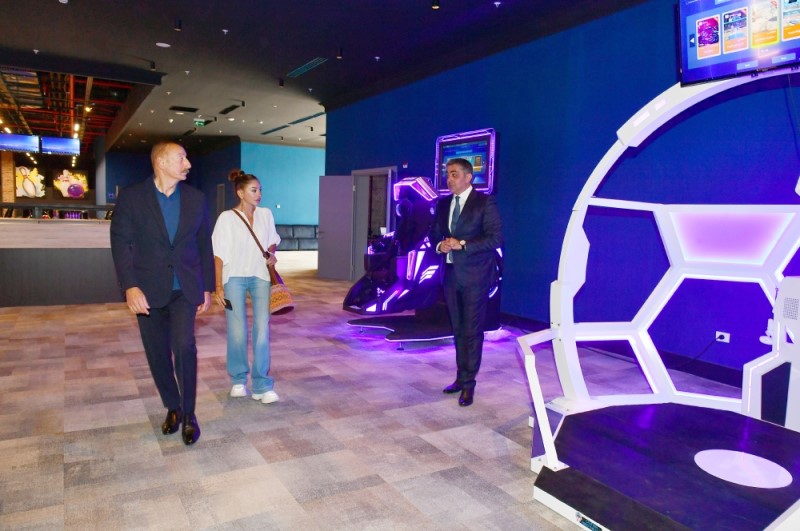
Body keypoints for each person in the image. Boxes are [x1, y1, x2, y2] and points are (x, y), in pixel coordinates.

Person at [110, 141, 214, 446]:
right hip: (148, 290)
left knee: (184, 347)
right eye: (181, 158)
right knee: (157, 353)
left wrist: (208, 286)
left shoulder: (196, 198)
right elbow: (120, 243)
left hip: (185, 288)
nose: (188, 164)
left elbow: (204, 245)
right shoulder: (132, 197)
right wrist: (130, 286)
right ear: (161, 162)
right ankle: (173, 406)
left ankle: (189, 414)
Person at [430, 158, 503, 407]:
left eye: (454, 174)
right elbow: (433, 235)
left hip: (476, 276)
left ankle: (469, 385)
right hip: (451, 275)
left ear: (468, 177)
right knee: (458, 329)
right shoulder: (443, 204)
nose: (449, 179)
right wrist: (440, 245)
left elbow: (495, 239)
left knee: (472, 330)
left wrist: (462, 244)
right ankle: (460, 378)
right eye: (447, 174)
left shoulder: (484, 203)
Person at [211, 170, 281, 404]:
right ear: (240, 193)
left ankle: (262, 384)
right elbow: (218, 254)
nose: (259, 194)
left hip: (261, 276)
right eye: (254, 190)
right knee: (237, 329)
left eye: (260, 189)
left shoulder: (266, 214)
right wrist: (218, 286)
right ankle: (238, 380)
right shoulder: (226, 218)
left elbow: (272, 240)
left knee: (262, 329)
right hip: (234, 279)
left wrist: (271, 254)